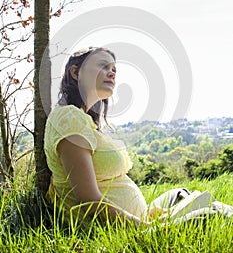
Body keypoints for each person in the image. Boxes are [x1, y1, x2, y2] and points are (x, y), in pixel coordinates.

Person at [44, 46, 233, 227]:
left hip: (139, 220)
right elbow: (87, 200)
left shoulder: (84, 121)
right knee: (213, 212)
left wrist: (149, 214)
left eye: (113, 69)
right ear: (76, 73)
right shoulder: (68, 117)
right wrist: (146, 226)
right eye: (103, 65)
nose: (112, 73)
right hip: (127, 230)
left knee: (180, 193)